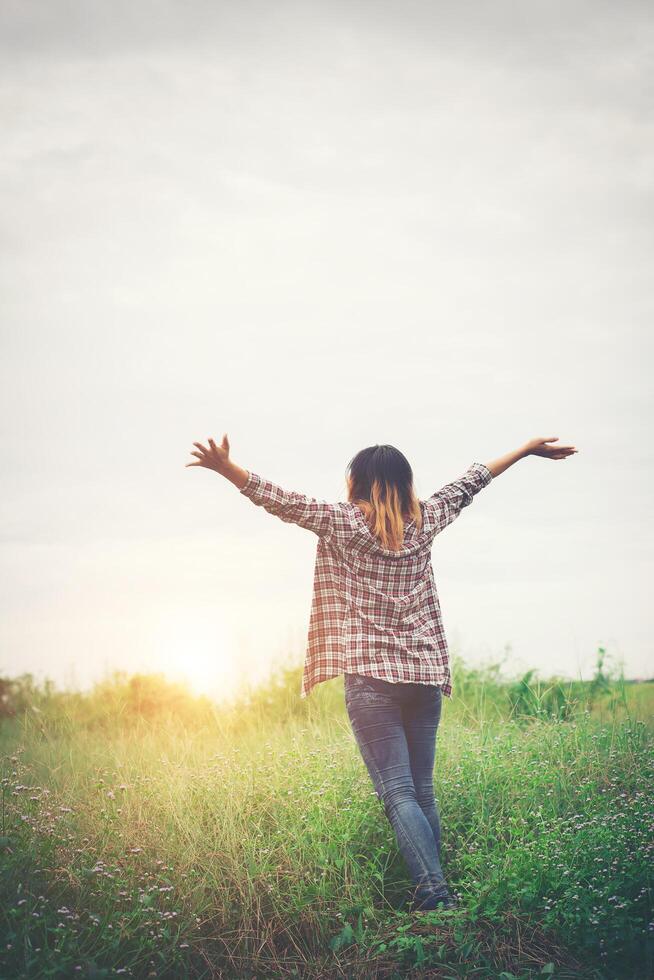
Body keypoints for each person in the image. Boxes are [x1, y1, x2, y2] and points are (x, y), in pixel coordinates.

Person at [186, 434, 578, 912]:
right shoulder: (427, 519)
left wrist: (226, 468)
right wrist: (527, 448)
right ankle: (439, 888)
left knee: (398, 793)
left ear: (356, 483)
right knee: (421, 791)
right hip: (424, 677)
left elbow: (281, 500)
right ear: (405, 483)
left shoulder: (345, 522)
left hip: (372, 680)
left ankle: (435, 896)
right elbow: (474, 480)